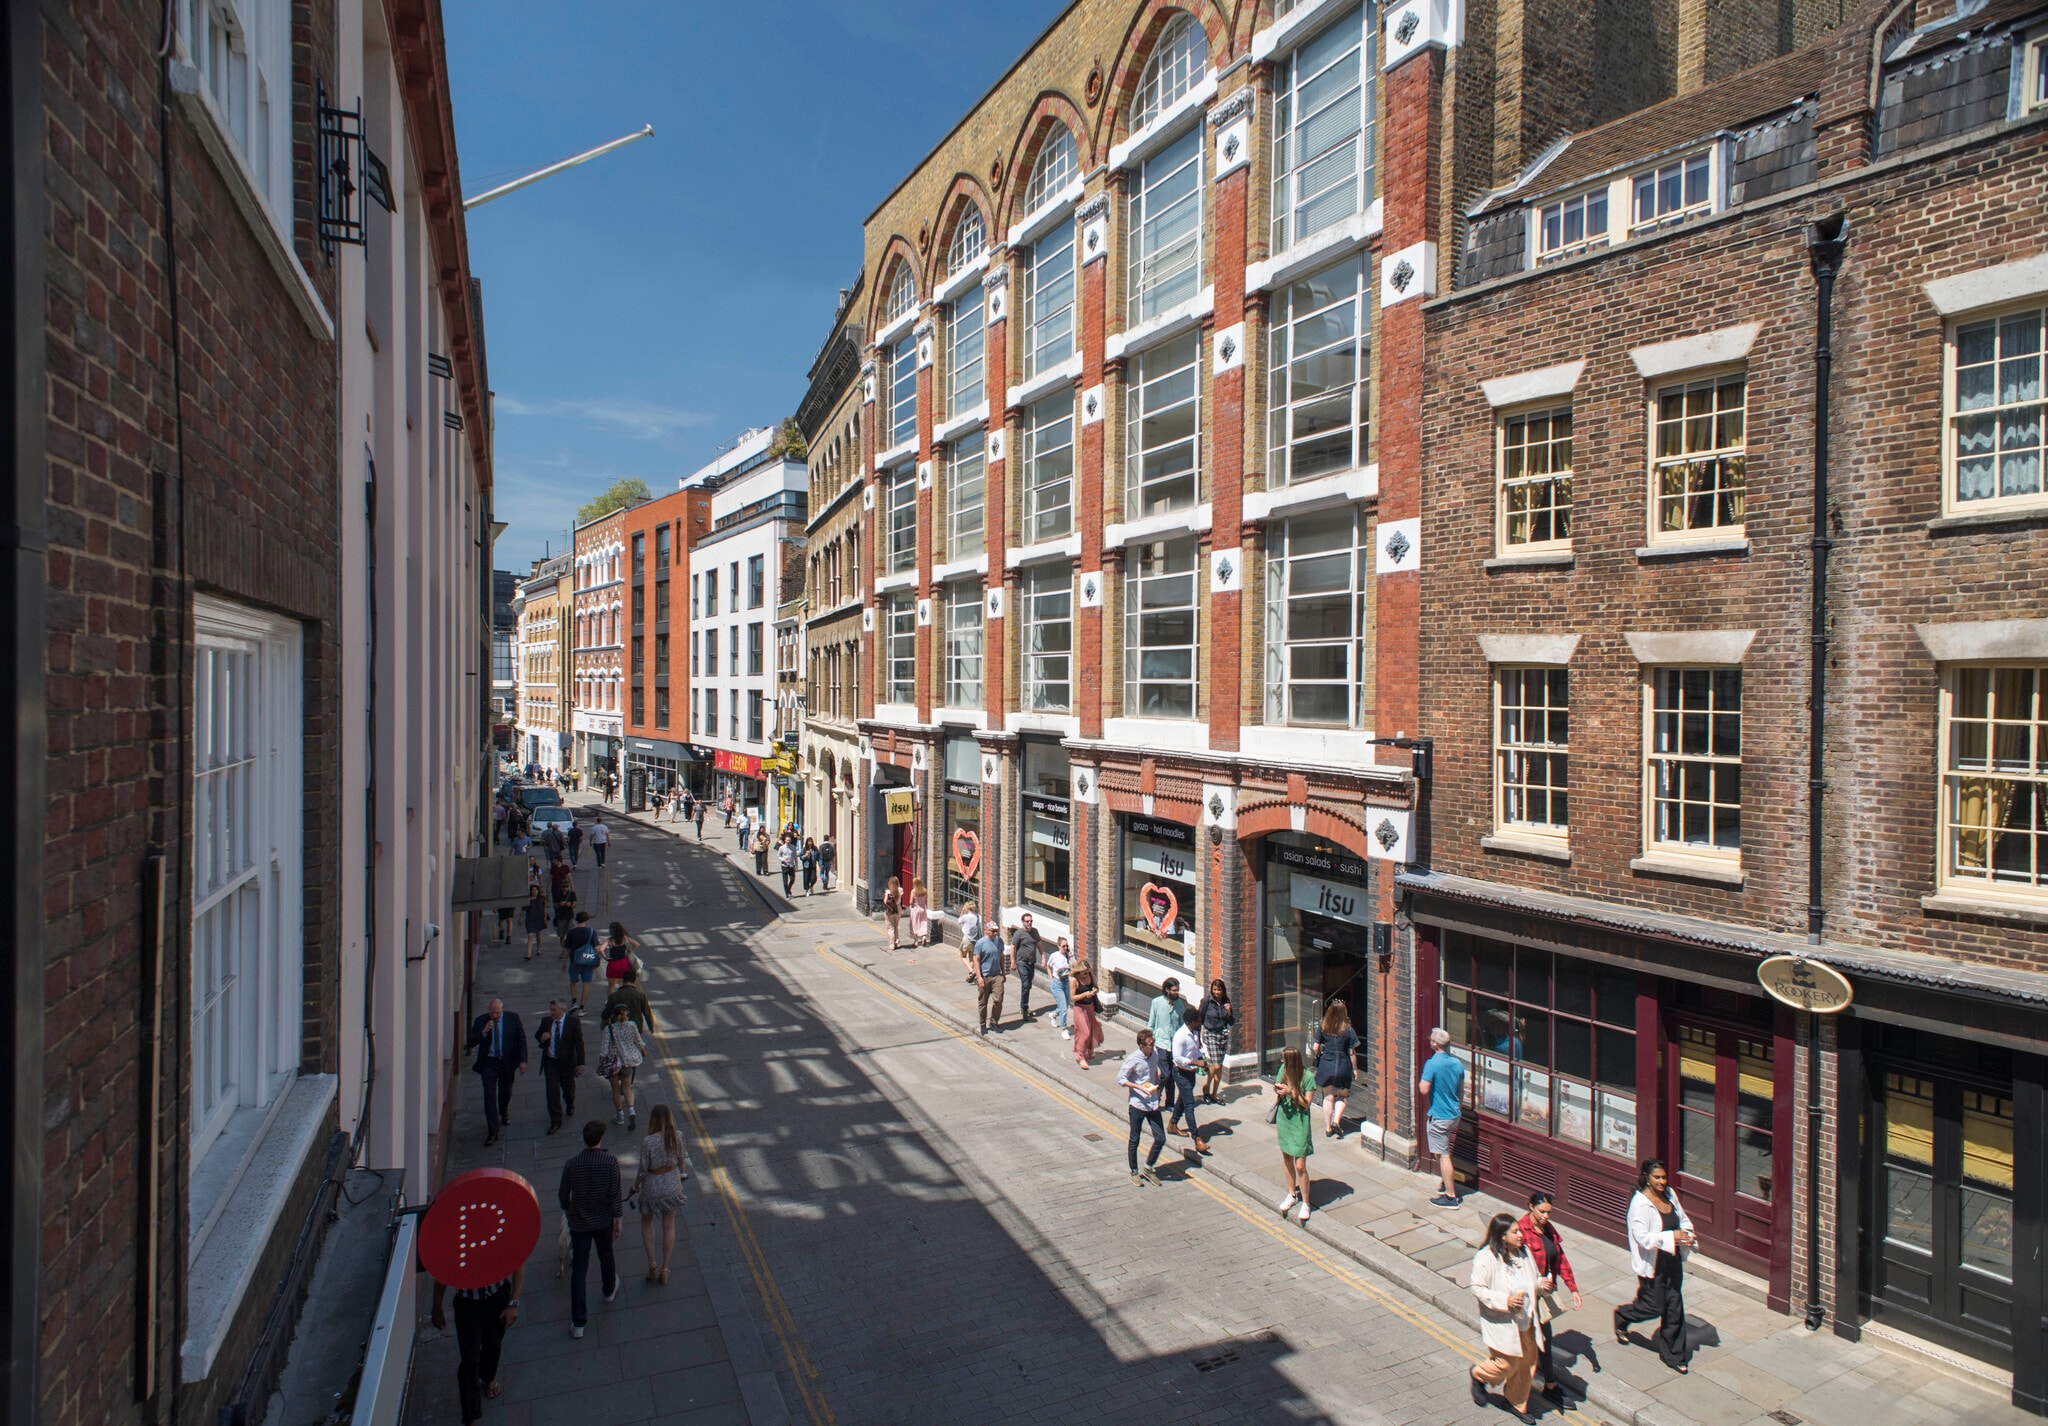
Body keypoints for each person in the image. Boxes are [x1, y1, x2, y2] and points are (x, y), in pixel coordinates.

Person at [1615, 1158, 1696, 1374]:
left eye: (1664, 1177)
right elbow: (1643, 1239)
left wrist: (1687, 1235)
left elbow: (1682, 1220)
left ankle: (1674, 1355)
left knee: (1674, 1308)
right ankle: (1623, 1316)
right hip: (1653, 1264)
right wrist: (1671, 1237)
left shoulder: (1669, 1194)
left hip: (1672, 1261)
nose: (1662, 1181)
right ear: (1647, 1178)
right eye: (1657, 1177)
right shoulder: (1639, 1204)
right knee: (1653, 1307)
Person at [1469, 1212, 1543, 1423]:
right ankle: (1478, 1374)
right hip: (1502, 1322)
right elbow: (1477, 1287)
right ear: (1502, 1236)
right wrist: (1505, 1301)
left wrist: (1542, 1284)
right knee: (1507, 1364)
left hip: (1525, 1320)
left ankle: (1516, 1402)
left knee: (1527, 1363)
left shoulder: (1524, 1253)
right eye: (1515, 1232)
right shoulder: (1486, 1257)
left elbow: (1534, 1279)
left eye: (1520, 1231)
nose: (1521, 1235)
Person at [430, 1262, 524, 1425]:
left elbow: (518, 1264)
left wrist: (514, 1303)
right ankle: (470, 1416)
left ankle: (488, 1378)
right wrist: (436, 1309)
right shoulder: (457, 1248)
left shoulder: (498, 1244)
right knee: (469, 1360)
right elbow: (442, 1274)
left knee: (493, 1344)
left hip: (497, 1299)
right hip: (467, 1305)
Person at [558, 1120, 623, 1339]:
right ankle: (609, 1290)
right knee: (606, 1255)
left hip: (579, 1223)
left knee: (579, 1269)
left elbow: (563, 1195)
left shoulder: (572, 1164)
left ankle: (578, 1323)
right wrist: (618, 1220)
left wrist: (568, 1210)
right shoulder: (610, 1162)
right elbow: (615, 1194)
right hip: (603, 1220)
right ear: (601, 1139)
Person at [1520, 1191, 1584, 1408]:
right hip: (1525, 1297)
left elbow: (1560, 1258)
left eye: (1549, 1212)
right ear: (1530, 1207)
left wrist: (1572, 1287)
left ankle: (1549, 1385)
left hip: (1542, 1295)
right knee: (1526, 1343)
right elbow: (1516, 1267)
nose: (1546, 1216)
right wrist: (1537, 1282)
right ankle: (1489, 1377)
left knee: (1544, 1338)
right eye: (1542, 1212)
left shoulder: (1548, 1229)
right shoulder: (1521, 1231)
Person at [638, 1104, 690, 1284]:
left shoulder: (647, 1141)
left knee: (647, 1222)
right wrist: (680, 1175)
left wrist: (635, 1186)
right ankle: (665, 1269)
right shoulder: (678, 1136)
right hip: (671, 1183)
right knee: (669, 1225)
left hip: (652, 1185)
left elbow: (642, 1169)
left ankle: (652, 1264)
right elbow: (682, 1162)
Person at [465, 998, 527, 1147]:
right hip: (489, 1063)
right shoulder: (481, 1021)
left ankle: (504, 1110)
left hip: (507, 1062)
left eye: (497, 1013)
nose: (494, 1016)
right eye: (492, 1013)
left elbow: (521, 1039)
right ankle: (493, 1131)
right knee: (489, 1095)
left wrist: (523, 1060)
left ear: (502, 1010)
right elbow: (471, 1042)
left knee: (505, 1091)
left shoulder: (513, 1018)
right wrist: (484, 1032)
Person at [1418, 1026, 1468, 1207]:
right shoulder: (1457, 1064)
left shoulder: (1432, 1064)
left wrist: (1423, 1081)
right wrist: (1457, 1108)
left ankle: (1451, 1196)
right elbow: (1461, 1090)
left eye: (1431, 1039)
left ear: (1435, 1044)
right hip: (1454, 1115)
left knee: (1443, 1154)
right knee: (1440, 1151)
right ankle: (1446, 1183)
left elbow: (1423, 1089)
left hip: (1440, 1116)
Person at [1119, 1029, 1168, 1186]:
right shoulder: (1133, 1059)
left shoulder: (1154, 1055)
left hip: (1152, 1103)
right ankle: (1134, 1171)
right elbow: (1121, 1079)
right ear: (1141, 1046)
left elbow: (1154, 1072)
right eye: (1149, 1044)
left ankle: (1148, 1168)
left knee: (1160, 1138)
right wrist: (1138, 1087)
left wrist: (1157, 1089)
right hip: (1137, 1104)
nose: (1152, 1046)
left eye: (1153, 1043)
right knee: (1135, 1139)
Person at [534, 998, 585, 1134]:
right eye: (550, 1009)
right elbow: (538, 1035)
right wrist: (542, 1037)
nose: (550, 1012)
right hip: (550, 1062)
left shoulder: (573, 1022)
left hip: (567, 1063)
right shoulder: (546, 1021)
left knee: (568, 1089)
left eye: (553, 1010)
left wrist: (580, 1063)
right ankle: (555, 1121)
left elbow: (579, 1043)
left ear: (562, 1009)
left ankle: (570, 1102)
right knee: (552, 1091)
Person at [1311, 1000, 1361, 1138]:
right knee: (1343, 1096)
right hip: (1343, 1066)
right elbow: (1352, 1052)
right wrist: (1355, 1069)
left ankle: (1328, 1128)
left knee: (1328, 1097)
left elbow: (1315, 1047)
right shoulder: (1349, 1030)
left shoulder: (1324, 1027)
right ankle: (1336, 1121)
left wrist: (1319, 1055)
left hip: (1327, 1065)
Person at [1168, 1005, 1211, 1153]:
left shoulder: (1195, 1032)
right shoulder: (1180, 1036)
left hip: (1190, 1073)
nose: (1200, 1022)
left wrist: (1201, 1059)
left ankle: (1172, 1124)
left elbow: (1195, 1050)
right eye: (1198, 1020)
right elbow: (1177, 1058)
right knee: (1189, 1104)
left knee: (1182, 1099)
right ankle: (1197, 1138)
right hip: (1180, 1073)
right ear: (1192, 1022)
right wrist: (1195, 1063)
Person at [599, 1002, 646, 1131]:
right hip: (627, 1062)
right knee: (627, 1088)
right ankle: (631, 1111)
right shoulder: (632, 1025)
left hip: (613, 1063)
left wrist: (600, 1065)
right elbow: (639, 1040)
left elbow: (603, 1051)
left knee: (615, 1090)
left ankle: (620, 1116)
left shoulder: (609, 1029)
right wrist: (643, 1050)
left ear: (613, 1017)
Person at [1147, 978, 1187, 1119]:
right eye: (1174, 990)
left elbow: (1182, 1024)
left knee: (1172, 1075)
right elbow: (1151, 1023)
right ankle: (1155, 1094)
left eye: (1177, 990)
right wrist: (1150, 1041)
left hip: (1174, 1045)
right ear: (1167, 990)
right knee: (1166, 1073)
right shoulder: (1157, 1002)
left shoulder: (1179, 1004)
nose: (1176, 993)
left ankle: (1169, 1103)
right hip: (1161, 1043)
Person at [1200, 979, 1233, 1103]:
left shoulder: (1226, 1001)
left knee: (1219, 1066)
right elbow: (1200, 1017)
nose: (1217, 992)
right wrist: (1197, 1036)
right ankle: (1206, 1087)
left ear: (1223, 990)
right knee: (1217, 1065)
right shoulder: (1207, 1001)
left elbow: (1231, 1021)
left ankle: (1214, 1094)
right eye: (1215, 989)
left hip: (1222, 1035)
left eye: (1219, 990)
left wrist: (1229, 1012)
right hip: (1210, 1034)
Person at [602, 966, 656, 1039]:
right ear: (634, 981)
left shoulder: (614, 996)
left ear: (623, 981)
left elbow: (605, 1014)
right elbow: (647, 1013)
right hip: (636, 1027)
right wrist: (651, 1026)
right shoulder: (640, 995)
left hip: (618, 1027)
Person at [562, 912, 601, 1011]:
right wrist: (598, 960)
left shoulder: (571, 932)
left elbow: (566, 949)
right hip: (587, 961)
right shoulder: (591, 931)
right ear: (586, 920)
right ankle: (582, 1007)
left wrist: (564, 962)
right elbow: (596, 948)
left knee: (573, 982)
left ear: (576, 920)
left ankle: (574, 1002)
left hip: (575, 961)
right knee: (586, 983)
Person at [972, 922, 1006, 1034]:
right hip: (984, 976)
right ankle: (982, 1024)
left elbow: (1001, 957)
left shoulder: (999, 941)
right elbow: (976, 960)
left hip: (996, 976)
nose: (995, 933)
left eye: (996, 931)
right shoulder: (980, 943)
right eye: (993, 931)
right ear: (987, 930)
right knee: (983, 1002)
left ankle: (994, 1022)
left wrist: (1003, 973)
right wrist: (979, 977)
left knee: (998, 1000)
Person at [1010, 913, 1043, 1022]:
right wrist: (1013, 962)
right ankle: (1024, 1008)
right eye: (1027, 921)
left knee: (1028, 985)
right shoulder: (1019, 933)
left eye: (1031, 921)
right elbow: (1013, 947)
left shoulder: (1034, 931)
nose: (1029, 923)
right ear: (1023, 922)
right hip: (1022, 963)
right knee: (1025, 984)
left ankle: (1024, 1005)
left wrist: (1043, 957)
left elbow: (1039, 945)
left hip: (1031, 963)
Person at [1070, 964, 1104, 1067]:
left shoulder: (1090, 975)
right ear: (1079, 971)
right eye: (1084, 972)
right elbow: (1073, 997)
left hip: (1090, 1007)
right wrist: (1085, 994)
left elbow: (1097, 987)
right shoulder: (1074, 980)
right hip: (1080, 1008)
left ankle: (1088, 1052)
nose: (1086, 974)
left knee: (1091, 1030)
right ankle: (1080, 1057)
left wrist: (1095, 991)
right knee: (1085, 1032)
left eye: (1087, 971)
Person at [602, 920, 642, 992]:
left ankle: (611, 998)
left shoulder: (609, 940)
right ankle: (623, 996)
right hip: (623, 964)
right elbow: (637, 944)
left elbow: (601, 950)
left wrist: (605, 957)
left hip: (613, 964)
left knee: (611, 985)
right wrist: (630, 952)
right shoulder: (625, 938)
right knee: (623, 984)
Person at [1046, 936, 1073, 1036]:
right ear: (1058, 946)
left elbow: (1075, 965)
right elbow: (1048, 966)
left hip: (1066, 982)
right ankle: (1064, 1029)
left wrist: (1070, 955)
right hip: (1057, 983)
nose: (1065, 948)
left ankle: (1054, 1015)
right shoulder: (1054, 956)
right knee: (1064, 1009)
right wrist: (1051, 978)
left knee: (1066, 1005)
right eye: (1063, 946)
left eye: (1067, 946)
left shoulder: (1068, 956)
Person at [956, 902, 982, 983]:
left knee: (963, 956)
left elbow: (959, 921)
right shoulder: (978, 917)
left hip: (967, 938)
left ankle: (971, 971)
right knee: (971, 957)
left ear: (967, 908)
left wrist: (962, 911)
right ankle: (970, 975)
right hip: (976, 939)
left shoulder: (966, 917)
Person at [521, 886, 547, 962]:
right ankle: (528, 954)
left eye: (536, 890)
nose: (534, 891)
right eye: (533, 890)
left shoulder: (541, 899)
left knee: (538, 934)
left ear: (538, 891)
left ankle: (539, 948)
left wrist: (545, 917)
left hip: (539, 919)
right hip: (530, 920)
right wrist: (520, 919)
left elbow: (544, 908)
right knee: (530, 935)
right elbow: (523, 910)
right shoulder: (527, 900)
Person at [882, 877, 904, 948]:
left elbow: (885, 902)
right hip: (898, 909)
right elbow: (900, 890)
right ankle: (897, 941)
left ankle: (892, 944)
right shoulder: (900, 890)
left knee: (890, 927)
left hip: (890, 910)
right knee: (896, 926)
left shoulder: (887, 892)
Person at [908, 879, 931, 946]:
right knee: (923, 922)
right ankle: (924, 937)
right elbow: (926, 901)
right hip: (923, 909)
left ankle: (916, 941)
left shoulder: (913, 891)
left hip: (915, 909)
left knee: (915, 924)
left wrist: (913, 903)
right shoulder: (925, 890)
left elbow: (910, 902)